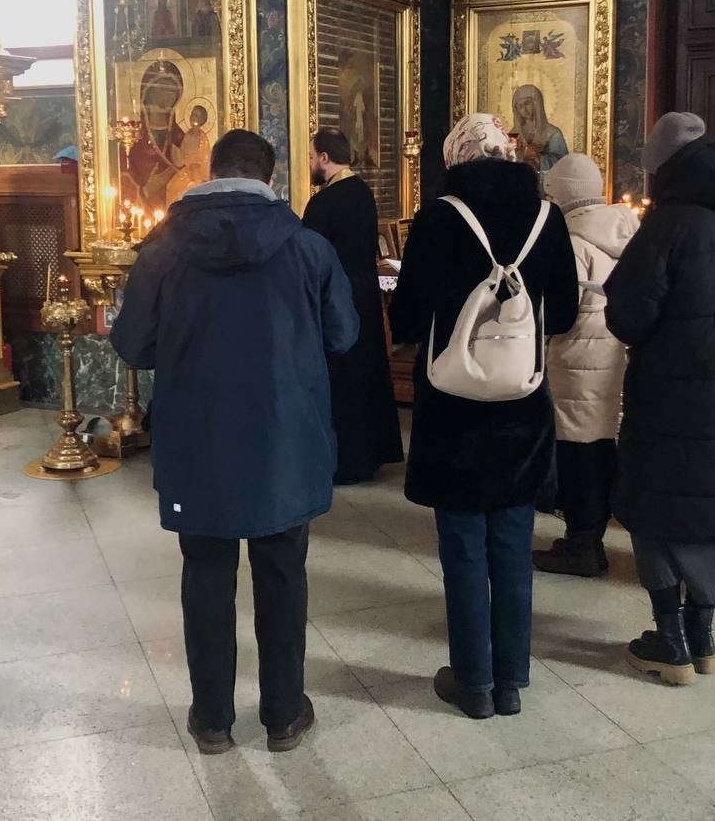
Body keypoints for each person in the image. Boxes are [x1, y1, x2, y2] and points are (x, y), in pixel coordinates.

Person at [111, 130, 359, 755]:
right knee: (283, 571)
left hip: (198, 439)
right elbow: (344, 334)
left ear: (211, 173)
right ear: (269, 178)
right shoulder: (307, 247)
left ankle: (213, 720)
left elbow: (132, 344)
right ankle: (284, 715)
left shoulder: (163, 249)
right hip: (285, 438)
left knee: (205, 573)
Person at [389, 112, 578, 719]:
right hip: (522, 402)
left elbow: (407, 316)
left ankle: (473, 681)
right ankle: (511, 679)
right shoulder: (547, 217)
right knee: (514, 541)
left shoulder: (438, 217)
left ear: (456, 158)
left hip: (452, 406)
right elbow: (566, 313)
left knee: (464, 543)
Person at [605, 112, 715, 686]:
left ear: (664, 168)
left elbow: (628, 315)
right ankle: (703, 636)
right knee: (714, 508)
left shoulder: (668, 224)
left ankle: (668, 641)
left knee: (657, 508)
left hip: (669, 396)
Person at [533, 153, 638, 577]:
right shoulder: (626, 233)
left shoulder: (573, 242)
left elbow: (561, 310)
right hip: (611, 357)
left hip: (577, 362)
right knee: (599, 447)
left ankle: (583, 545)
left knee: (578, 456)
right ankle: (587, 538)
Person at [303, 129, 404, 484]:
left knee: (342, 378)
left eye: (311, 157)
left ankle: (344, 461)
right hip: (365, 294)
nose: (310, 163)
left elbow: (309, 255)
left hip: (335, 299)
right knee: (367, 372)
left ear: (325, 158)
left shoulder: (324, 202)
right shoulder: (362, 192)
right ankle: (371, 453)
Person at [511, 85, 568, 174]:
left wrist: (538, 158)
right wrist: (521, 155)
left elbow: (563, 163)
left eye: (527, 103)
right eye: (520, 106)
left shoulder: (553, 133)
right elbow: (506, 160)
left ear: (537, 103)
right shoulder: (514, 133)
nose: (524, 109)